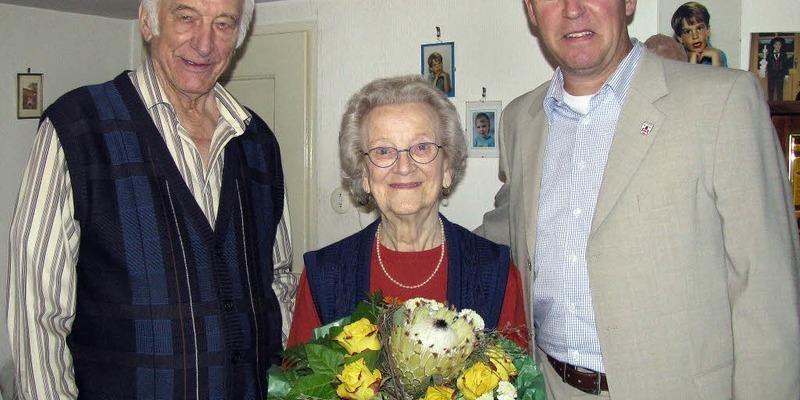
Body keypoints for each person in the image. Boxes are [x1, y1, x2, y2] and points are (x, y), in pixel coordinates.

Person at [477, 0, 800, 398]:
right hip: (551, 386)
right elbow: (500, 234)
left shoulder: (722, 101)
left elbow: (768, 290)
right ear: (530, 9)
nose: (572, 9)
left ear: (629, 2)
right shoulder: (519, 119)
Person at [6, 0, 294, 398]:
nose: (205, 43)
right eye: (186, 17)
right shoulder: (76, 128)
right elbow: (38, 315)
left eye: (223, 24)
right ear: (147, 22)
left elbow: (277, 280)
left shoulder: (258, 141)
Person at [287, 75, 527, 349]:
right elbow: (301, 384)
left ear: (447, 168)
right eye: (383, 151)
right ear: (364, 173)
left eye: (422, 147)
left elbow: (515, 383)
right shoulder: (324, 275)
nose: (403, 166)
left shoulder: (494, 271)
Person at [671, 2, 727, 66]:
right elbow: (688, 76)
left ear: (707, 30)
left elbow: (719, 76)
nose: (695, 36)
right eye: (688, 31)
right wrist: (692, 61)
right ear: (680, 38)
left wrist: (715, 59)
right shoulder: (677, 59)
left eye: (699, 28)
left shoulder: (718, 55)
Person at [767, 36, 790, 101]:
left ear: (781, 46)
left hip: (780, 74)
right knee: (771, 89)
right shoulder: (769, 54)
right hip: (771, 74)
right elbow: (767, 64)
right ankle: (770, 103)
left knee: (780, 89)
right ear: (773, 45)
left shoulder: (783, 54)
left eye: (779, 44)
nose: (777, 46)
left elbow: (786, 65)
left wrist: (786, 74)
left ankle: (780, 104)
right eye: (776, 44)